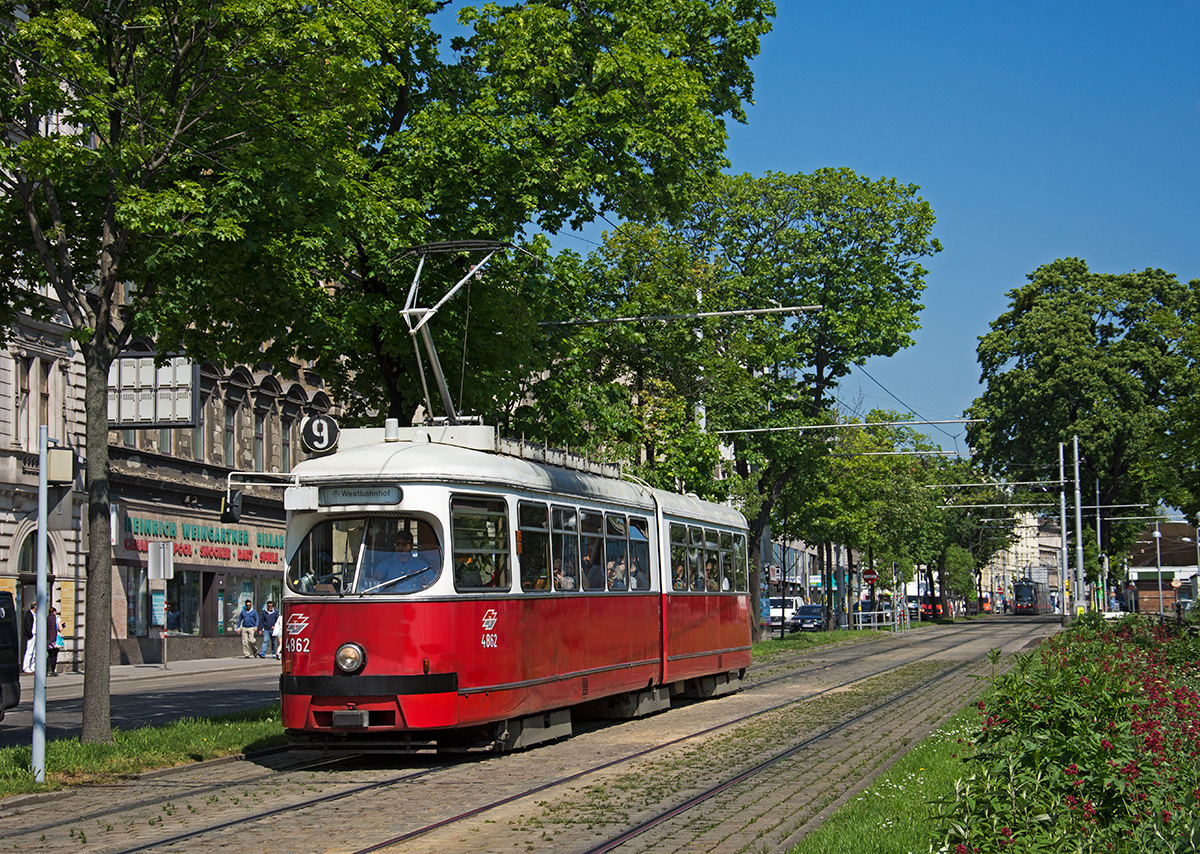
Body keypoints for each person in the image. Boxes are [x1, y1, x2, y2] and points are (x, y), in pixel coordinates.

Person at [368, 533, 433, 592]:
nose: (400, 547)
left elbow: (432, 583)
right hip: (391, 600)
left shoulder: (421, 565)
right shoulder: (386, 564)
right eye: (397, 544)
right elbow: (376, 577)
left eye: (404, 544)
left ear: (411, 545)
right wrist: (374, 579)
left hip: (413, 600)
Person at [45, 607, 62, 676]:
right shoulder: (57, 619)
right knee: (54, 655)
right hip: (55, 639)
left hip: (48, 639)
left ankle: (45, 670)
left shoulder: (46, 618)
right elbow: (60, 628)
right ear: (54, 612)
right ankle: (52, 670)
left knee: (49, 655)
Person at [21, 601, 36, 674]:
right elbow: (27, 626)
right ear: (35, 607)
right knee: (29, 651)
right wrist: (30, 635)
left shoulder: (35, 615)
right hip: (31, 635)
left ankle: (32, 666)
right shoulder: (29, 614)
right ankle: (26, 667)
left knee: (34, 652)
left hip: (36, 635)